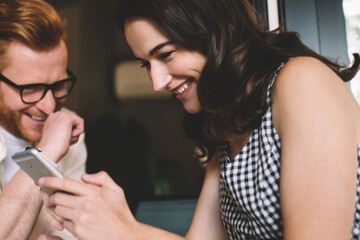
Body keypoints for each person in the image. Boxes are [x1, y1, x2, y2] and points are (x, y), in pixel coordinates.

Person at [38, 0, 360, 239]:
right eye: (145, 64)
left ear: (213, 33)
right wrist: (118, 226)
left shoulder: (302, 83)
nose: (157, 82)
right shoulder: (224, 124)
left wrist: (125, 232)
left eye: (165, 55)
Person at [0, 0, 87, 239]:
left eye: (58, 85)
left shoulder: (66, 127)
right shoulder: (54, 139)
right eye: (30, 88)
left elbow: (70, 230)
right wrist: (45, 153)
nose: (49, 107)